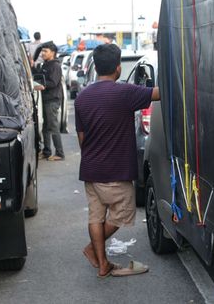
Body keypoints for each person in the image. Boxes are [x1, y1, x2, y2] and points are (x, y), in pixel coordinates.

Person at [75, 43, 159, 278]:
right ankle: (93, 249)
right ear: (117, 68)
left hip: (90, 170)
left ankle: (103, 264)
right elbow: (159, 93)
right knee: (123, 212)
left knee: (96, 215)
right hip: (116, 171)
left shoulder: (82, 98)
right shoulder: (125, 93)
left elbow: (82, 138)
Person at [33, 41, 64, 160]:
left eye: (45, 51)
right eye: (42, 51)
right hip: (46, 99)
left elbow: (53, 82)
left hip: (52, 100)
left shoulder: (55, 66)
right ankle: (46, 151)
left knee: (53, 126)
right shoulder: (45, 64)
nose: (42, 53)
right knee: (46, 126)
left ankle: (59, 153)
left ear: (53, 53)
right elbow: (39, 76)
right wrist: (32, 65)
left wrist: (43, 86)